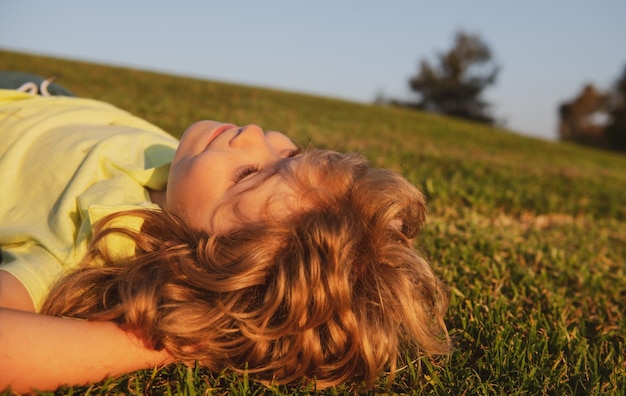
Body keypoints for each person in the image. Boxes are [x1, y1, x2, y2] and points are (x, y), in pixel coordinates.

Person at [0, 81, 450, 393]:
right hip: (45, 95)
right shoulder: (186, 172)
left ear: (203, 262)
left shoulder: (95, 243)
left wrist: (185, 335)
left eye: (247, 175)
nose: (256, 136)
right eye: (291, 154)